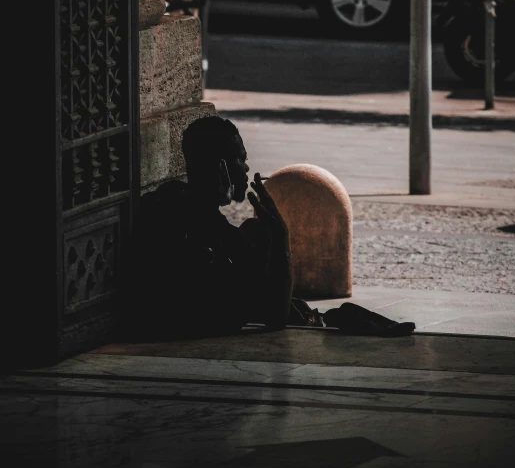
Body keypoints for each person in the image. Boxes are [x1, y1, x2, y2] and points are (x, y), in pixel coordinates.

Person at [133, 116, 415, 339]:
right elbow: (272, 317)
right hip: (197, 322)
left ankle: (328, 318)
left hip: (216, 311)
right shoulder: (188, 216)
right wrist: (280, 235)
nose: (246, 168)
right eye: (240, 159)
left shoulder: (195, 209)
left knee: (261, 241)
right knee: (260, 236)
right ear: (221, 168)